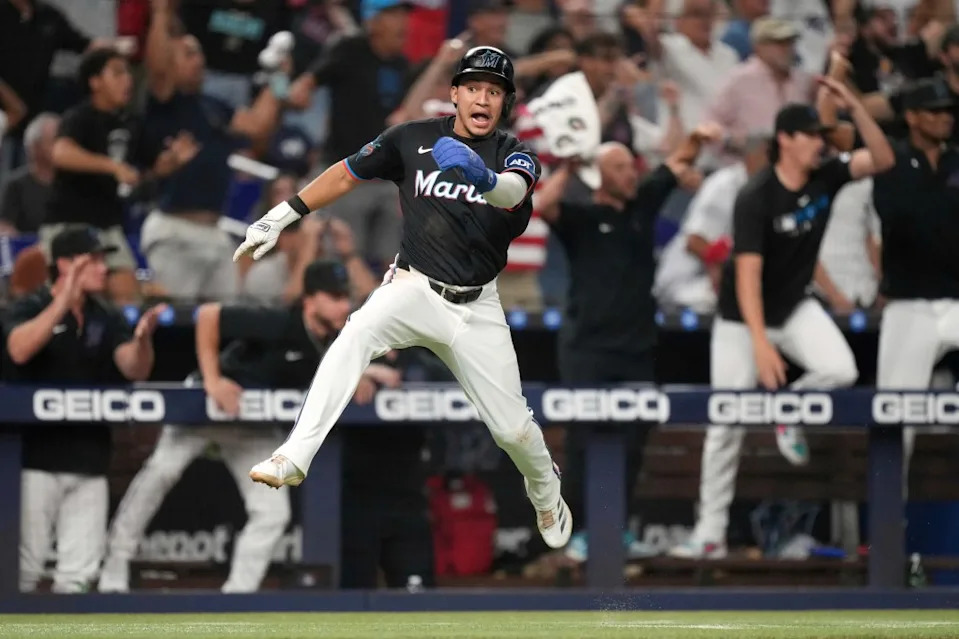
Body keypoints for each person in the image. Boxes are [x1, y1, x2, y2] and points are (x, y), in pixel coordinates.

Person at [236, 46, 572, 549]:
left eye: (494, 91)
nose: (483, 98)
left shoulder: (513, 152)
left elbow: (513, 192)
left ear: (506, 103)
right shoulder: (412, 138)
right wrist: (282, 215)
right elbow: (346, 173)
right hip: (414, 286)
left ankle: (546, 491)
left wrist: (481, 177)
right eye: (474, 87)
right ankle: (295, 455)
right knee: (357, 332)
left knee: (512, 431)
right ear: (455, 93)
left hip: (476, 307)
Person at [669, 81, 895, 559]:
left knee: (841, 369)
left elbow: (882, 158)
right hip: (740, 316)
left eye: (821, 135)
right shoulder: (756, 195)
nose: (821, 141)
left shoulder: (827, 175)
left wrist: (853, 103)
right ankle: (708, 534)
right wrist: (760, 343)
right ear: (786, 139)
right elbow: (747, 275)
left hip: (793, 306)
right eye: (811, 135)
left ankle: (788, 413)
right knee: (725, 419)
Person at [97, 259, 393, 593]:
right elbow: (208, 314)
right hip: (206, 410)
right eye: (335, 296)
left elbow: (331, 363)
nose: (344, 304)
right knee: (158, 475)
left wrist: (363, 373)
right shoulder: (280, 321)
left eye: (346, 297)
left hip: (251, 425)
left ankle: (238, 593)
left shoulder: (333, 338)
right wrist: (213, 380)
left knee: (272, 512)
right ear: (309, 299)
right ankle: (113, 573)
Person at [533, 123, 721, 563]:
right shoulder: (581, 217)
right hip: (585, 350)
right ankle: (578, 532)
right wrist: (569, 165)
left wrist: (695, 138)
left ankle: (616, 530)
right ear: (600, 176)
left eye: (630, 166)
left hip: (636, 350)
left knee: (634, 441)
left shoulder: (643, 206)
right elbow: (545, 205)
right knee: (582, 442)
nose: (630, 174)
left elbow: (676, 164)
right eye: (618, 168)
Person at [2, 226, 164, 592]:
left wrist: (142, 342)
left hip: (89, 457)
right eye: (92, 260)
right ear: (64, 264)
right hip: (33, 459)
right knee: (23, 572)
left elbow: (133, 369)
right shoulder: (30, 305)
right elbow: (18, 349)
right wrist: (63, 300)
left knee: (77, 575)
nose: (103, 268)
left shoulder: (104, 315)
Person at [39, 47, 198, 304]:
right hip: (69, 223)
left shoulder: (131, 122)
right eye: (117, 73)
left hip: (108, 226)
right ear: (95, 82)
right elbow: (61, 153)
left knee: (129, 299)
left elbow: (152, 167)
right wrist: (111, 166)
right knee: (68, 300)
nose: (128, 80)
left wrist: (175, 160)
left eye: (128, 73)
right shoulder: (80, 117)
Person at [871, 78, 959, 488]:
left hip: (956, 301)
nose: (944, 117)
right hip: (909, 304)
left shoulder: (957, 162)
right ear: (911, 117)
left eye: (947, 111)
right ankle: (889, 531)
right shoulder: (891, 162)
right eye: (934, 111)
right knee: (895, 417)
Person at [0, 112, 58, 236]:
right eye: (53, 141)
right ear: (35, 147)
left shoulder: (74, 183)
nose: (60, 148)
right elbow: (5, 226)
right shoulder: (16, 185)